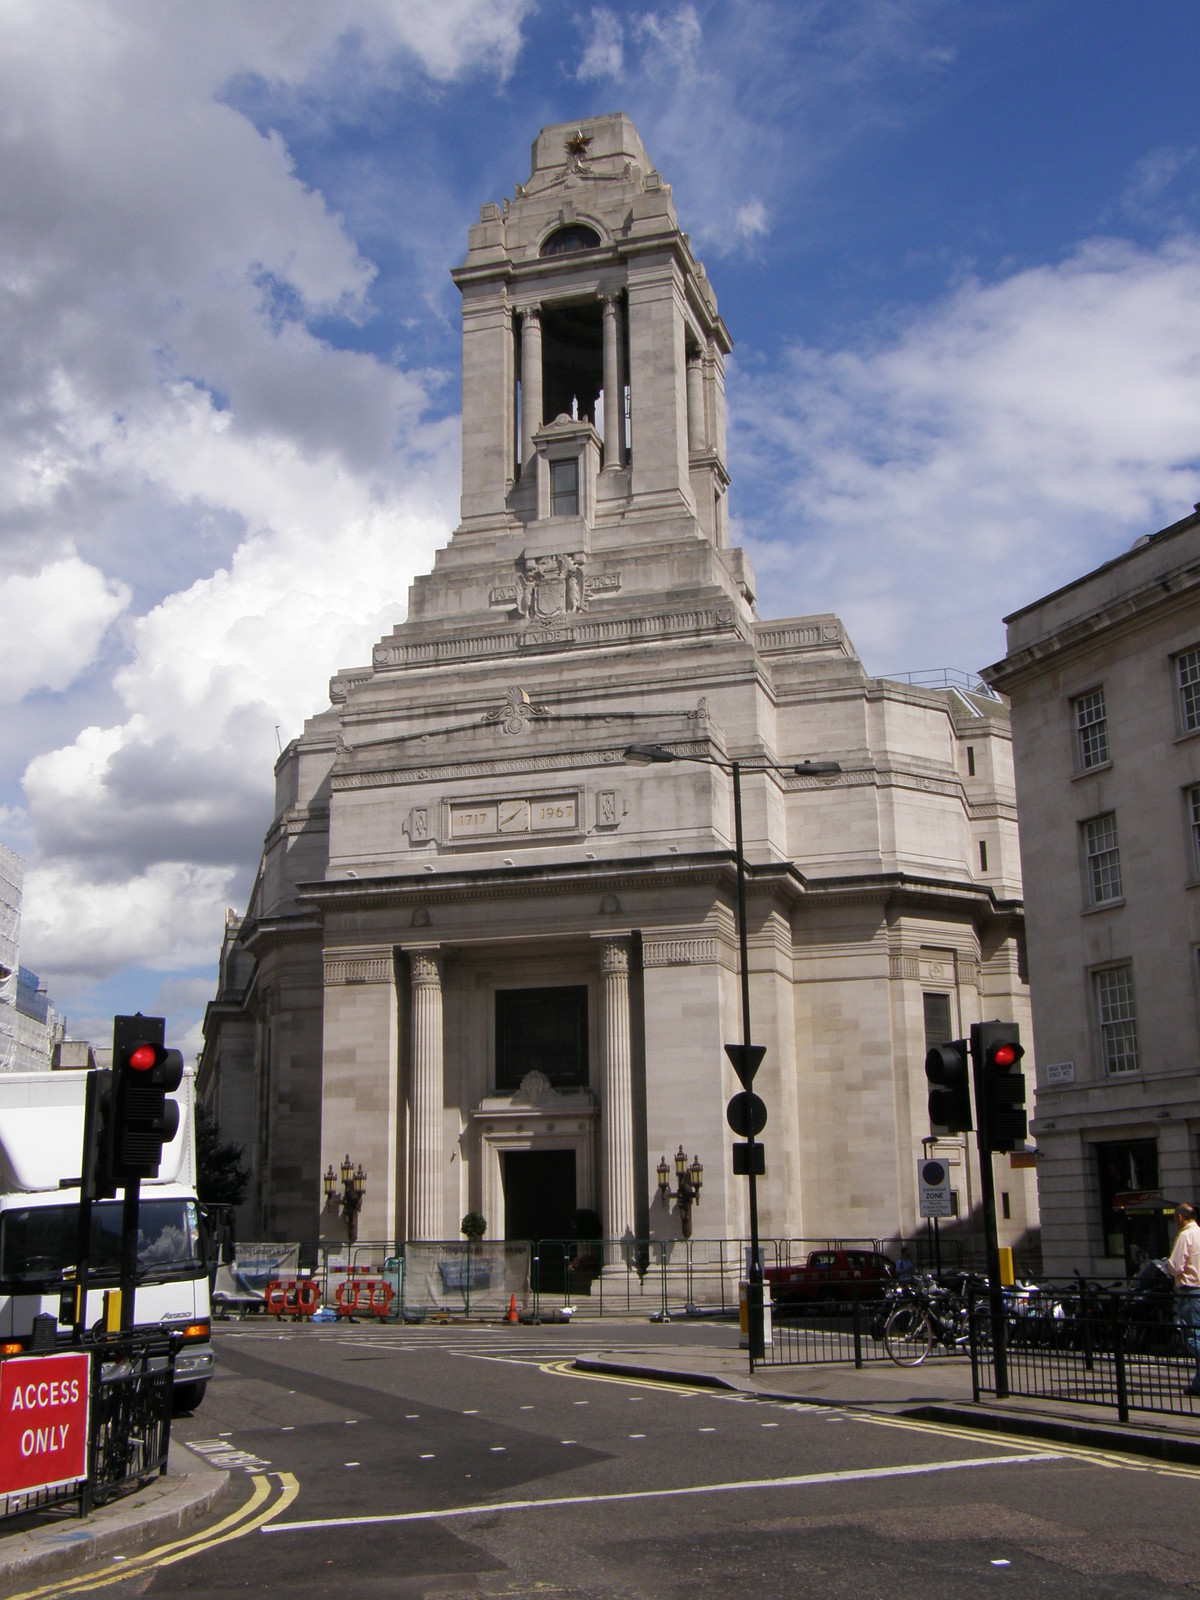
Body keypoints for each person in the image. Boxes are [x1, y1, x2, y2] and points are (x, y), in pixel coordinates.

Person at [1165, 1201, 1200, 1396]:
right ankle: (1198, 1384)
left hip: (1190, 1290)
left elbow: (1176, 1266)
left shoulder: (1185, 1236)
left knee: (1192, 1336)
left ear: (1179, 1217)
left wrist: (1167, 1267)